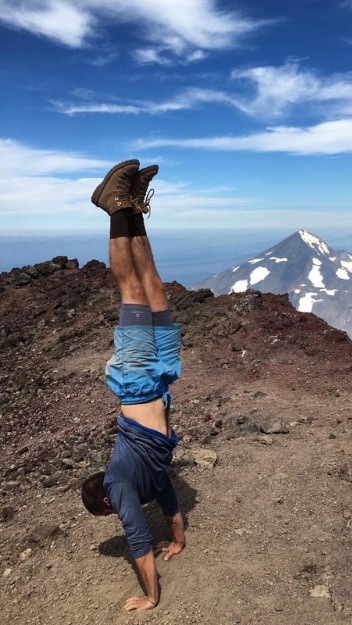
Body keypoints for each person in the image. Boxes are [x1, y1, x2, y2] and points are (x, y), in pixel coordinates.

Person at [81, 159, 185, 611]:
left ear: (106, 501)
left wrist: (151, 596)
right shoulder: (144, 480)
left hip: (138, 381)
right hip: (161, 377)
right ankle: (134, 210)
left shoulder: (119, 484)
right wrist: (178, 539)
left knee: (132, 291)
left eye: (113, 512)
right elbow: (166, 496)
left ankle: (113, 208)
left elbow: (140, 544)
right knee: (156, 288)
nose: (121, 514)